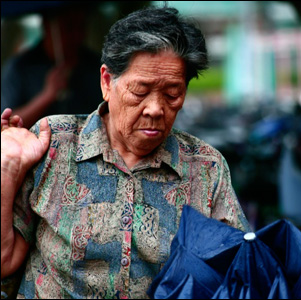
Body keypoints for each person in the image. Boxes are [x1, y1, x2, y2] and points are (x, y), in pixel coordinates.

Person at [1, 6, 250, 299]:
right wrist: (6, 168)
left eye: (172, 93)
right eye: (140, 91)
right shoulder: (52, 144)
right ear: (107, 82)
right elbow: (4, 262)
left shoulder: (205, 166)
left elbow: (237, 271)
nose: (156, 108)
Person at [1, 4, 102, 129]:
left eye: (81, 27)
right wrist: (47, 95)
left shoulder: (96, 65)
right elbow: (7, 124)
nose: (76, 36)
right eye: (68, 27)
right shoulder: (19, 68)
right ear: (47, 26)